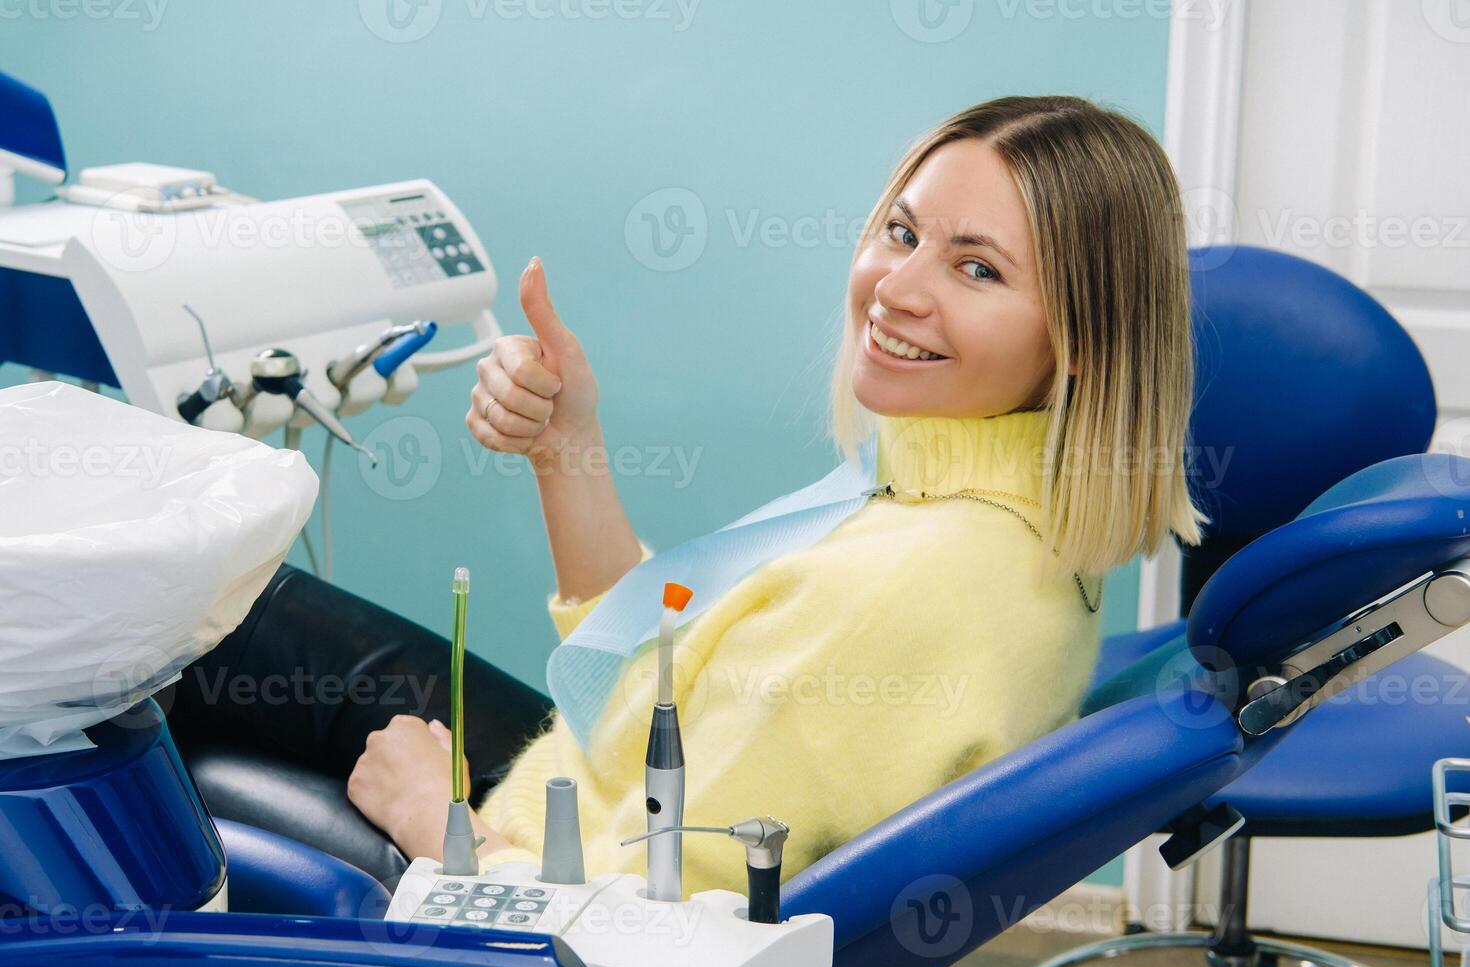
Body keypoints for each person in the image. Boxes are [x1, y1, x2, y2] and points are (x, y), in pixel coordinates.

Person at [250, 94, 1208, 896]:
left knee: (186, 694)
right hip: (582, 791)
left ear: (1086, 338)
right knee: (244, 619)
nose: (896, 289)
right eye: (903, 233)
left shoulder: (903, 591)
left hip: (524, 884)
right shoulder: (980, 508)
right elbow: (672, 672)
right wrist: (565, 444)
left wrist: (432, 819)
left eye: (977, 268)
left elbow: (651, 924)